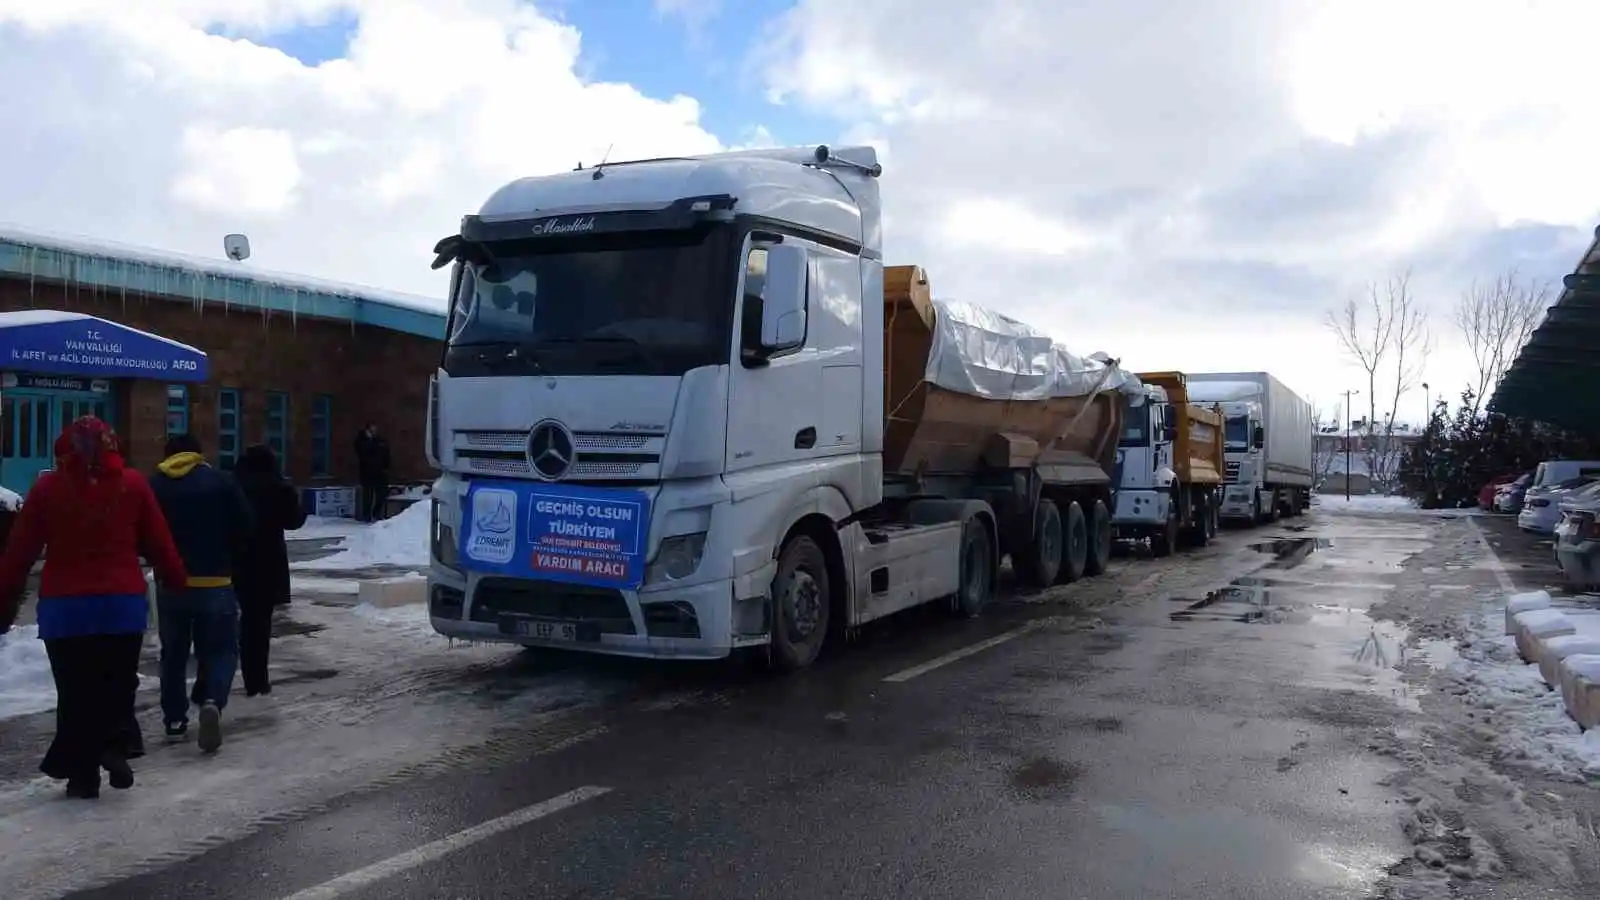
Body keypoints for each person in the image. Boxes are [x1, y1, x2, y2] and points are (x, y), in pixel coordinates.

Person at [0, 416, 188, 799]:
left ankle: (82, 774)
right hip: (121, 605)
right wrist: (176, 579)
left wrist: (4, 597)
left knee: (75, 690)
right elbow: (159, 540)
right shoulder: (133, 484)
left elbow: (19, 553)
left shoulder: (47, 488)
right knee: (117, 683)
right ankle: (115, 745)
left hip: (65, 609)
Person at [149, 433, 253, 753]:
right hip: (216, 583)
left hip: (171, 584)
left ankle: (175, 721)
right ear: (199, 453)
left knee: (173, 655)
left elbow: (143, 530)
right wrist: (231, 560)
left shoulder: (155, 484)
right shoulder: (222, 482)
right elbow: (245, 526)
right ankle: (212, 701)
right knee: (222, 650)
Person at [232, 444, 307, 697]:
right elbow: (294, 521)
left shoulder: (233, 485)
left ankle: (215, 679)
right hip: (266, 562)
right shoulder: (278, 487)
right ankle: (256, 680)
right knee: (258, 623)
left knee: (227, 620)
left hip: (233, 560)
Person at [354, 423, 391, 522]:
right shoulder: (361, 441)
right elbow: (362, 452)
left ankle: (376, 512)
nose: (374, 432)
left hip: (380, 472)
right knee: (368, 495)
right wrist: (370, 441)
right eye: (372, 430)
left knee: (382, 493)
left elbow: (386, 454)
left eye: (375, 429)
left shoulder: (380, 441)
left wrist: (386, 467)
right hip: (367, 472)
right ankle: (367, 515)